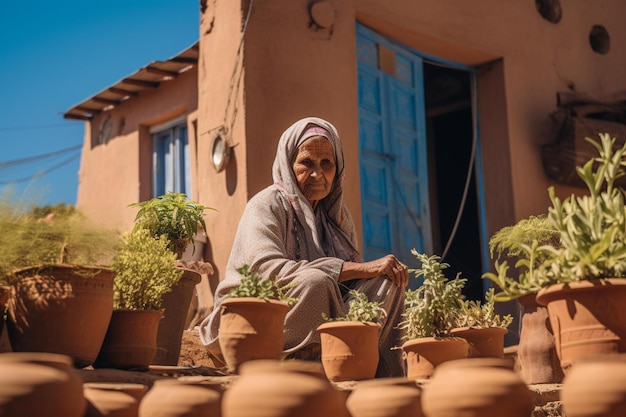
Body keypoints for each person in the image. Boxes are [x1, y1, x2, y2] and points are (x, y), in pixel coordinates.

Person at [197, 116, 409, 377]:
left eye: (326, 164)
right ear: (288, 164)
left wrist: (369, 273)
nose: (318, 174)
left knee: (389, 282)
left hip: (323, 307)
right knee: (315, 283)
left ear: (338, 167)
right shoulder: (265, 205)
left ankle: (377, 373)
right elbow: (266, 270)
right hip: (258, 318)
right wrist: (352, 268)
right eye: (306, 163)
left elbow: (350, 285)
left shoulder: (337, 217)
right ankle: (298, 370)